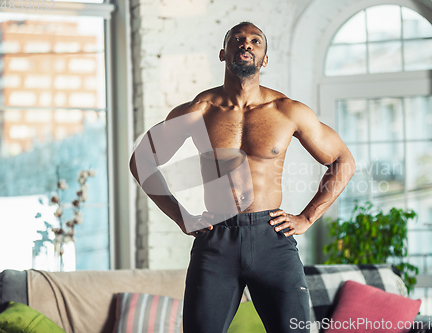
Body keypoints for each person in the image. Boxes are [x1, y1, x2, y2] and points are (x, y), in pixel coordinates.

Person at [129, 21, 356, 333]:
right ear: (224, 53)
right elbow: (142, 161)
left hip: (272, 239)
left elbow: (343, 160)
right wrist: (182, 216)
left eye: (255, 41)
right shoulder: (199, 109)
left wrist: (307, 216)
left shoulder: (287, 111)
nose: (246, 44)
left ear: (264, 59)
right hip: (216, 239)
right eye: (237, 39)